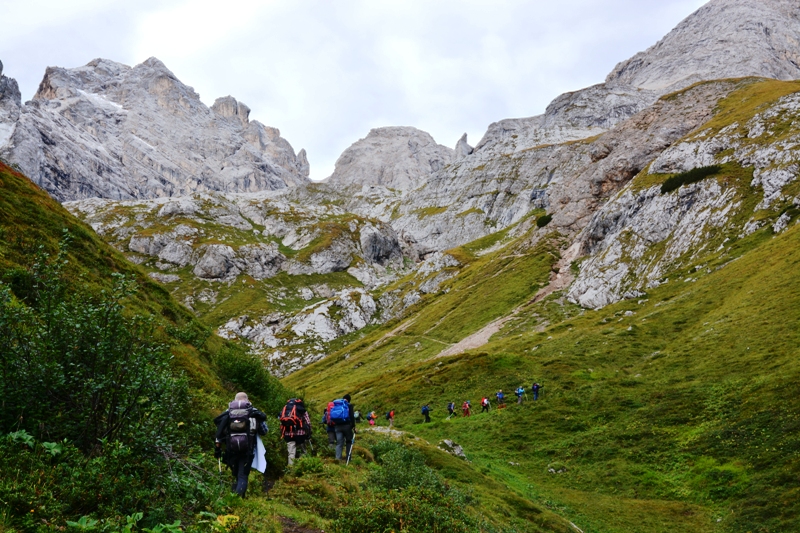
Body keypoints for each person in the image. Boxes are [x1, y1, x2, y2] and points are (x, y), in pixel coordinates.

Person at [214, 392, 267, 498]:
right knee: (243, 474)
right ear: (247, 400)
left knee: (236, 472)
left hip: (231, 449)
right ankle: (237, 498)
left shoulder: (228, 412)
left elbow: (220, 431)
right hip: (247, 449)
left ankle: (236, 496)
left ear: (235, 400)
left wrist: (218, 448)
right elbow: (264, 431)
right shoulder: (254, 412)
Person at [279, 398, 311, 467]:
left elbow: (280, 420)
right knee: (303, 451)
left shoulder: (285, 410)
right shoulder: (302, 410)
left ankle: (290, 468)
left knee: (291, 452)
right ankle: (302, 466)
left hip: (288, 433)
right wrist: (309, 432)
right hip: (300, 433)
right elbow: (308, 422)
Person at [329, 394, 356, 462]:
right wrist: (353, 426)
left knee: (339, 443)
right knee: (348, 442)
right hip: (347, 426)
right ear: (349, 400)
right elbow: (352, 417)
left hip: (337, 426)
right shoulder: (349, 405)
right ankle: (348, 458)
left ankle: (338, 459)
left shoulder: (337, 405)